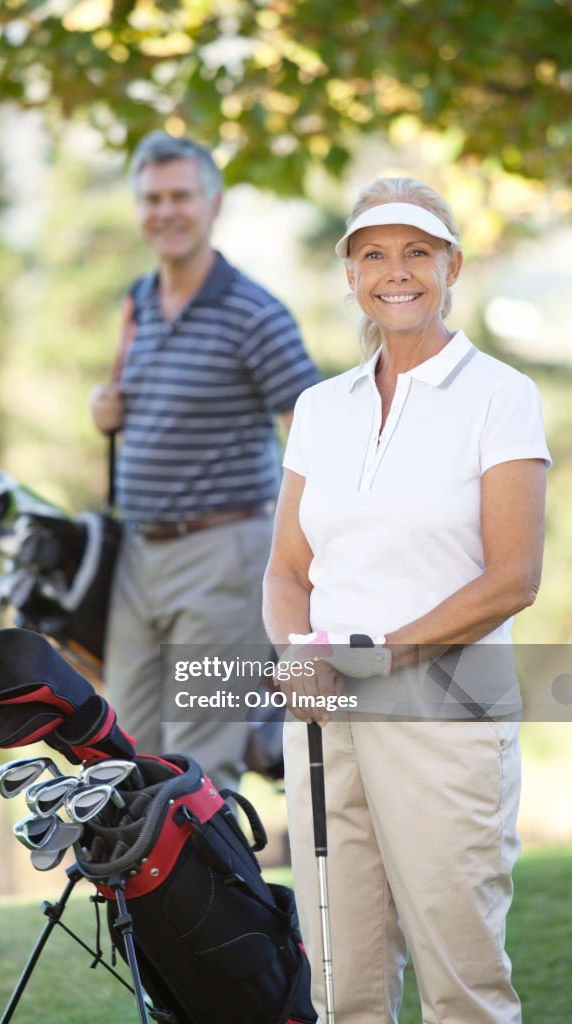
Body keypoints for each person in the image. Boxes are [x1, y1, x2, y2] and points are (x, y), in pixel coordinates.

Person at [263, 178, 550, 1024]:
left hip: (444, 709)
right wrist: (296, 658)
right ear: (350, 274)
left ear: (452, 264)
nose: (398, 272)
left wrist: (373, 657)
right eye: (375, 254)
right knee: (340, 982)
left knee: (461, 982)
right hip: (323, 712)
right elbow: (287, 569)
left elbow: (513, 580)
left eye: (418, 251)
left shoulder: (500, 395)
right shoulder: (320, 408)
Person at [90, 132, 319, 792]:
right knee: (123, 755)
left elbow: (311, 431)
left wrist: (302, 554)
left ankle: (215, 898)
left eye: (181, 196)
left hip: (225, 555)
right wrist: (109, 412)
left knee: (198, 767)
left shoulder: (254, 312)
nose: (166, 211)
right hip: (139, 557)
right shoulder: (138, 302)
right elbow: (152, 406)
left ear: (213, 204)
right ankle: (149, 898)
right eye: (152, 198)